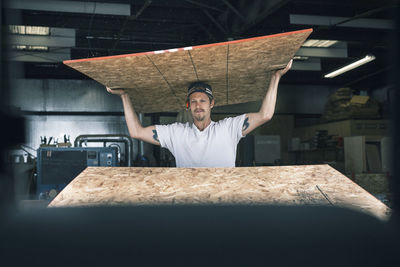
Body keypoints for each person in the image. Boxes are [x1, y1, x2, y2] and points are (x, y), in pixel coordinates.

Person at [107, 59, 292, 167]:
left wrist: (276, 77)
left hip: (224, 205)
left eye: (203, 100)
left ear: (212, 103)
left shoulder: (228, 128)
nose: (198, 105)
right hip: (190, 208)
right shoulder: (176, 133)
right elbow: (136, 132)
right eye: (193, 101)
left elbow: (265, 114)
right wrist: (124, 95)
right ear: (188, 105)